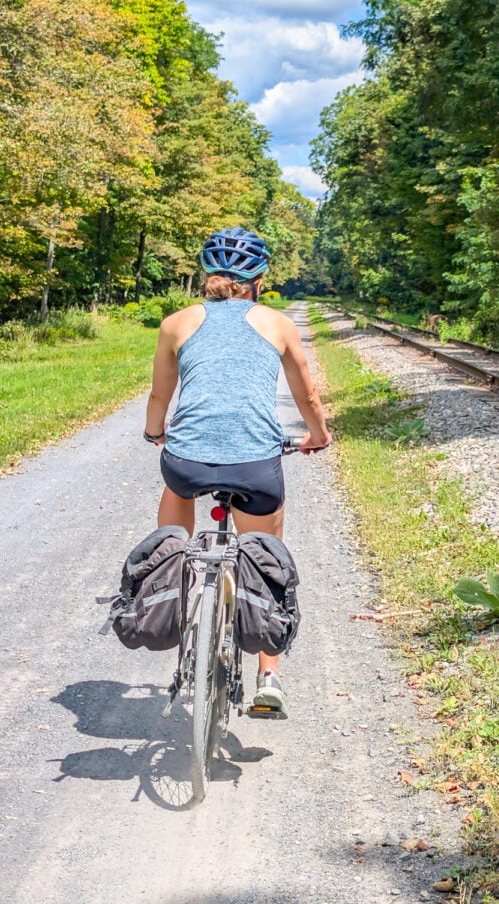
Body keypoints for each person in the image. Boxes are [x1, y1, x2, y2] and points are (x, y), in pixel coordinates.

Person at [142, 226, 331, 716]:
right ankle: (269, 675)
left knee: (175, 491)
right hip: (254, 465)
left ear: (207, 274)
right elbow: (307, 395)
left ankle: (173, 577)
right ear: (260, 279)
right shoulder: (277, 323)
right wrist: (319, 436)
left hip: (186, 460)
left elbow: (160, 397)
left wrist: (154, 432)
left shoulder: (176, 323)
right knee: (267, 555)